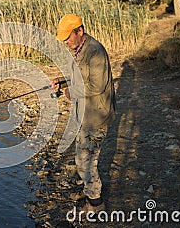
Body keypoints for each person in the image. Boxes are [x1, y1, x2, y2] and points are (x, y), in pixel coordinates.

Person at [52, 14, 116, 213]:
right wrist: (61, 81)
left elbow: (96, 85)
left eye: (67, 37)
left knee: (87, 160)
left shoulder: (95, 52)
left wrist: (71, 92)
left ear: (79, 31)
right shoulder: (78, 49)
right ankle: (89, 190)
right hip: (84, 114)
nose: (65, 41)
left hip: (95, 116)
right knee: (82, 157)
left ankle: (96, 204)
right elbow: (76, 75)